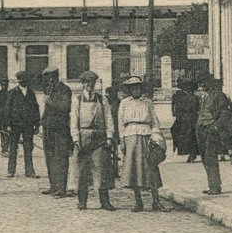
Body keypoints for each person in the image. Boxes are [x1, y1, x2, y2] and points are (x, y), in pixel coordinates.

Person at [117, 76, 167, 212]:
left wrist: (156, 136)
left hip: (146, 136)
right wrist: (122, 140)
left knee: (150, 169)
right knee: (135, 170)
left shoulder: (147, 102)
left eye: (138, 87)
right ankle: (138, 201)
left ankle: (156, 201)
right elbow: (120, 123)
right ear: (129, 90)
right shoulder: (124, 103)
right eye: (133, 88)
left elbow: (155, 122)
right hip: (130, 137)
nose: (135, 90)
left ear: (141, 88)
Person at [70, 71, 116, 210]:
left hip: (99, 137)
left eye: (92, 82)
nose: (90, 85)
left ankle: (105, 201)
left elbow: (109, 118)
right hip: (83, 136)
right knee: (82, 169)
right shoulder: (77, 100)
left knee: (101, 169)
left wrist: (109, 136)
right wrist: (76, 139)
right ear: (83, 84)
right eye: (87, 82)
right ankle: (82, 201)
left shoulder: (102, 99)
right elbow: (74, 121)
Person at [40, 66, 73, 198]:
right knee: (50, 157)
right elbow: (47, 109)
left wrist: (50, 101)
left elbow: (65, 108)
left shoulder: (65, 90)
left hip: (60, 129)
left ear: (56, 76)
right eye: (47, 78)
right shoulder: (49, 89)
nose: (49, 80)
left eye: (51, 77)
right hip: (48, 127)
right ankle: (53, 185)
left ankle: (62, 188)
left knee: (60, 158)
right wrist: (42, 121)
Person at [1, 71, 40, 178]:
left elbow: (36, 109)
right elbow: (7, 110)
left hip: (28, 125)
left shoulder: (31, 93)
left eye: (25, 80)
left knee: (28, 148)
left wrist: (37, 124)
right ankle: (11, 170)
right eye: (21, 80)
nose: (23, 82)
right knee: (13, 148)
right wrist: (8, 124)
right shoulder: (12, 93)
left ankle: (30, 171)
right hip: (15, 125)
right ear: (18, 80)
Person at [196, 78, 229, 195]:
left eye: (204, 83)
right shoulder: (203, 96)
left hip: (211, 128)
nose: (201, 86)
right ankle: (212, 184)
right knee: (205, 157)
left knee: (211, 157)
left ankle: (215, 186)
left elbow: (225, 113)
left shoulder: (219, 96)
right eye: (200, 83)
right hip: (201, 128)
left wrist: (216, 126)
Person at [170, 78, 201, 163]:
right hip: (191, 119)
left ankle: (188, 153)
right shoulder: (196, 98)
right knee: (192, 136)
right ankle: (192, 153)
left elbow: (175, 109)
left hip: (183, 119)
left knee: (183, 135)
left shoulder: (179, 97)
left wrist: (176, 114)